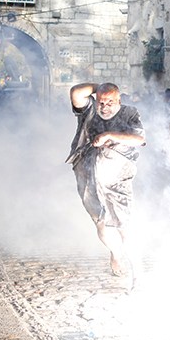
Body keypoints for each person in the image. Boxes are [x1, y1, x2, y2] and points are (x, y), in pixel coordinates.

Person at [66, 82, 146, 278]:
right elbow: (76, 93)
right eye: (101, 102)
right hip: (88, 173)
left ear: (119, 100)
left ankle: (136, 267)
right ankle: (116, 253)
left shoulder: (129, 113)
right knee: (100, 222)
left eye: (110, 102)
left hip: (117, 176)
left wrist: (109, 135)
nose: (105, 106)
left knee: (123, 223)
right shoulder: (90, 111)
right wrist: (98, 87)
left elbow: (139, 139)